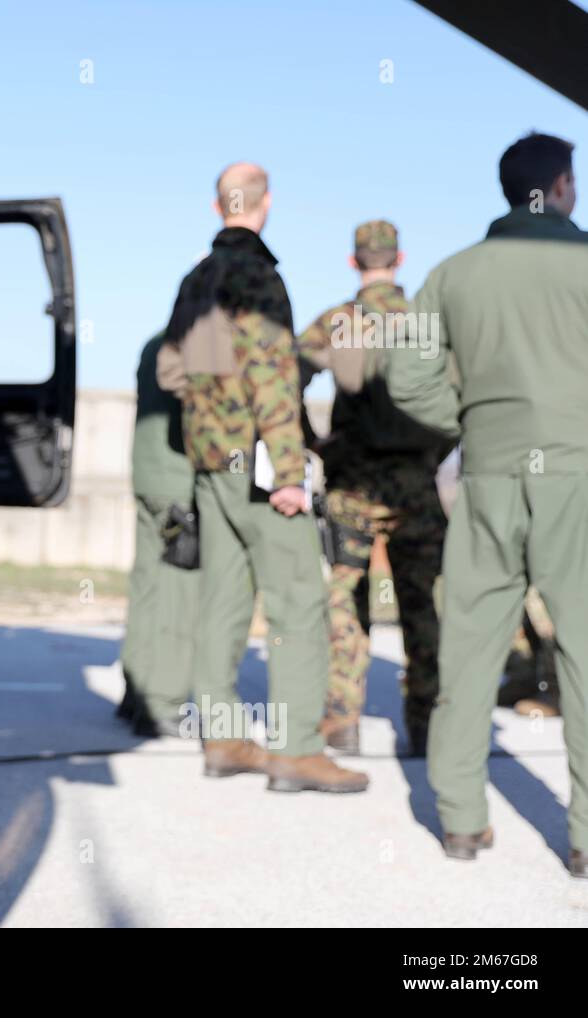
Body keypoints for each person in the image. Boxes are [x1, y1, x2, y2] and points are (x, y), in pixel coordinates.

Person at [386, 132, 588, 874]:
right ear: (562, 187)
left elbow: (407, 379)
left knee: (470, 647)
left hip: (489, 473)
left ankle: (462, 823)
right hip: (578, 476)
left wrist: (471, 419)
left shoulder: (453, 273)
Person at [157, 162, 368, 793]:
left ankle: (222, 740)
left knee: (223, 599)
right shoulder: (259, 276)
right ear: (265, 203)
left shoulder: (195, 279)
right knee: (300, 600)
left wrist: (210, 408)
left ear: (219, 203)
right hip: (256, 464)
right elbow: (274, 377)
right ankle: (298, 750)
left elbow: (171, 371)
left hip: (211, 465)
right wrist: (288, 471)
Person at [295, 221, 450, 757]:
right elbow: (461, 394)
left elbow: (285, 375)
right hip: (415, 485)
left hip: (352, 486)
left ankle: (342, 720)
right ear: (399, 259)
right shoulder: (423, 323)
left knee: (344, 600)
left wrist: (313, 442)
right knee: (423, 604)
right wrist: (435, 449)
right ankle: (427, 724)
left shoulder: (340, 323)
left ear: (353, 261)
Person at [119, 331, 197, 737]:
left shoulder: (154, 343)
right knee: (178, 592)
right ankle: (163, 704)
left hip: (149, 477)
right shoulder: (201, 343)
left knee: (147, 586)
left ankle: (135, 692)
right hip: (179, 485)